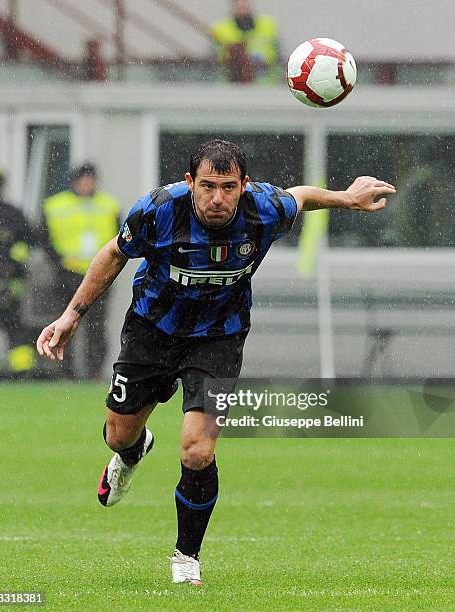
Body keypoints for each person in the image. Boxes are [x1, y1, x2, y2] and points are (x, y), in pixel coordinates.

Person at [36, 139, 396, 585]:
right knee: (117, 436)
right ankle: (132, 454)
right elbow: (113, 254)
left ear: (244, 185)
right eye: (207, 186)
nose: (218, 198)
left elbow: (299, 196)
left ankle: (186, 555)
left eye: (228, 187)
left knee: (198, 450)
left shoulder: (263, 208)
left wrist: (346, 198)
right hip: (152, 333)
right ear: (190, 183)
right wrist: (72, 315)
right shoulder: (158, 210)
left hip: (218, 338)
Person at [42, 162, 120, 378]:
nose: (87, 184)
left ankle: (94, 372)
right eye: (83, 180)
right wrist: (58, 261)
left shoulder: (108, 205)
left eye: (90, 180)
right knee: (66, 323)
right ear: (75, 181)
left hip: (101, 274)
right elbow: (44, 237)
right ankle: (66, 372)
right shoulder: (56, 205)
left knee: (96, 327)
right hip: (68, 272)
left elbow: (120, 240)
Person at [0, 162, 37, 377]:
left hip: (10, 282)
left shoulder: (11, 213)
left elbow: (29, 241)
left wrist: (12, 263)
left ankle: (23, 370)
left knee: (15, 326)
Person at [210, 0, 280, 83]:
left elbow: (279, 56)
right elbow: (212, 62)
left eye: (245, 2)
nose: (243, 6)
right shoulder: (220, 29)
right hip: (231, 84)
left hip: (266, 84)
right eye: (239, 3)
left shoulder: (268, 25)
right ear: (233, 5)